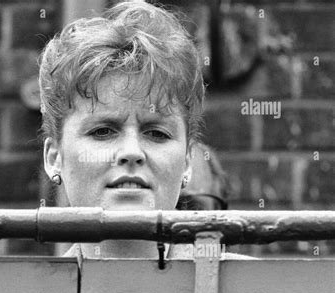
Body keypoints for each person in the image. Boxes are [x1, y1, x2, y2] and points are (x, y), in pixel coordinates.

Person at [39, 1, 251, 259]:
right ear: (53, 157)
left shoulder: (251, 287)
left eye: (156, 133)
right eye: (103, 131)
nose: (131, 152)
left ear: (187, 161)